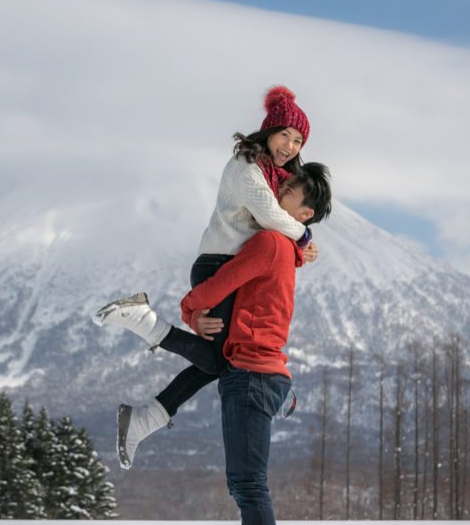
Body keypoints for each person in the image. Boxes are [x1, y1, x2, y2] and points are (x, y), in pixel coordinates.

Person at [95, 85, 317, 468]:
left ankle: (146, 416)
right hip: (219, 265)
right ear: (268, 130)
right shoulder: (246, 168)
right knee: (222, 361)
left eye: (299, 140)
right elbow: (268, 218)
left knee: (218, 360)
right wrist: (304, 236)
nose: (291, 145)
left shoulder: (271, 174)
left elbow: (274, 235)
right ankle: (143, 323)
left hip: (232, 267)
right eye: (286, 134)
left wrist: (298, 247)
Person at [99, 163, 333, 525]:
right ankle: (145, 406)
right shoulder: (286, 248)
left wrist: (189, 308)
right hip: (254, 371)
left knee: (249, 485)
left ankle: (145, 324)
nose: (278, 193)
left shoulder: (272, 242)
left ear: (304, 215)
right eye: (282, 184)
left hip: (253, 375)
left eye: (289, 192)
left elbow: (224, 282)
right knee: (245, 482)